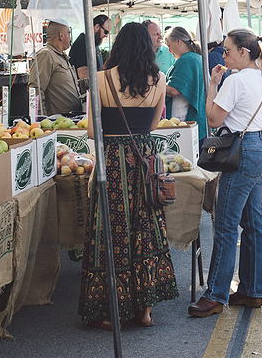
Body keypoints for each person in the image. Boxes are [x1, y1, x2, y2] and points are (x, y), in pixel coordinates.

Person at [79, 22, 176, 329]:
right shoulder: (159, 79)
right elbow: (153, 126)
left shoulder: (101, 79)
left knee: (112, 232)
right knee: (146, 230)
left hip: (113, 161)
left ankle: (111, 310)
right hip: (145, 158)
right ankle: (145, 311)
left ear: (118, 46)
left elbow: (94, 130)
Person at [188, 28, 262, 318]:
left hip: (240, 152)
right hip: (259, 149)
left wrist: (213, 84)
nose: (223, 55)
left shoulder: (236, 80)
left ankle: (215, 294)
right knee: (253, 224)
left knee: (225, 225)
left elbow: (214, 119)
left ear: (244, 52)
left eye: (227, 50)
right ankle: (252, 290)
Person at [29, 20, 89, 116]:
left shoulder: (61, 56)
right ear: (61, 36)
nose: (70, 38)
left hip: (70, 120)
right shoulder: (46, 54)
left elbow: (67, 87)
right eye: (69, 34)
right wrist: (41, 119)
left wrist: (89, 82)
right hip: (57, 122)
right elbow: (36, 88)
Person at [163, 26, 206, 142]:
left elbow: (174, 90)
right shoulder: (196, 58)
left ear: (178, 42)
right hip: (195, 123)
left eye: (169, 46)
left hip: (185, 123)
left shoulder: (187, 59)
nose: (169, 51)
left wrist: (154, 84)